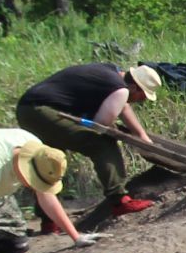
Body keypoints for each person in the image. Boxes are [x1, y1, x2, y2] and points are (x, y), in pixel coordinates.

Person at [15, 62, 163, 223]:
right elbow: (100, 124)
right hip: (43, 111)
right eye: (142, 97)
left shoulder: (113, 73)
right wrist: (114, 129)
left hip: (28, 109)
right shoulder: (120, 89)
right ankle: (120, 200)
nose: (140, 101)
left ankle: (49, 220)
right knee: (102, 143)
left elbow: (123, 107)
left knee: (50, 160)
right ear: (134, 87)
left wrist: (141, 135)